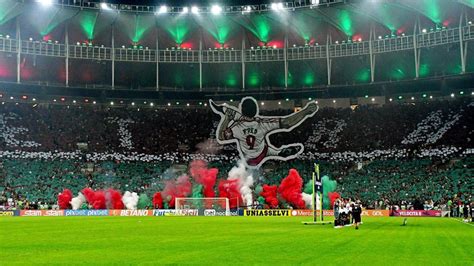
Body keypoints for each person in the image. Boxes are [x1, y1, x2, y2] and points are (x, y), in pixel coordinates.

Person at [210, 97, 318, 167]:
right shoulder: (262, 123)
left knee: (270, 150)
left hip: (248, 158)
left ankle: (280, 152)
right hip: (262, 153)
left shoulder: (236, 128)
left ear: (242, 110)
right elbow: (287, 123)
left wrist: (227, 118)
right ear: (256, 111)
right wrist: (305, 112)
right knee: (273, 151)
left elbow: (221, 136)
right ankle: (280, 152)